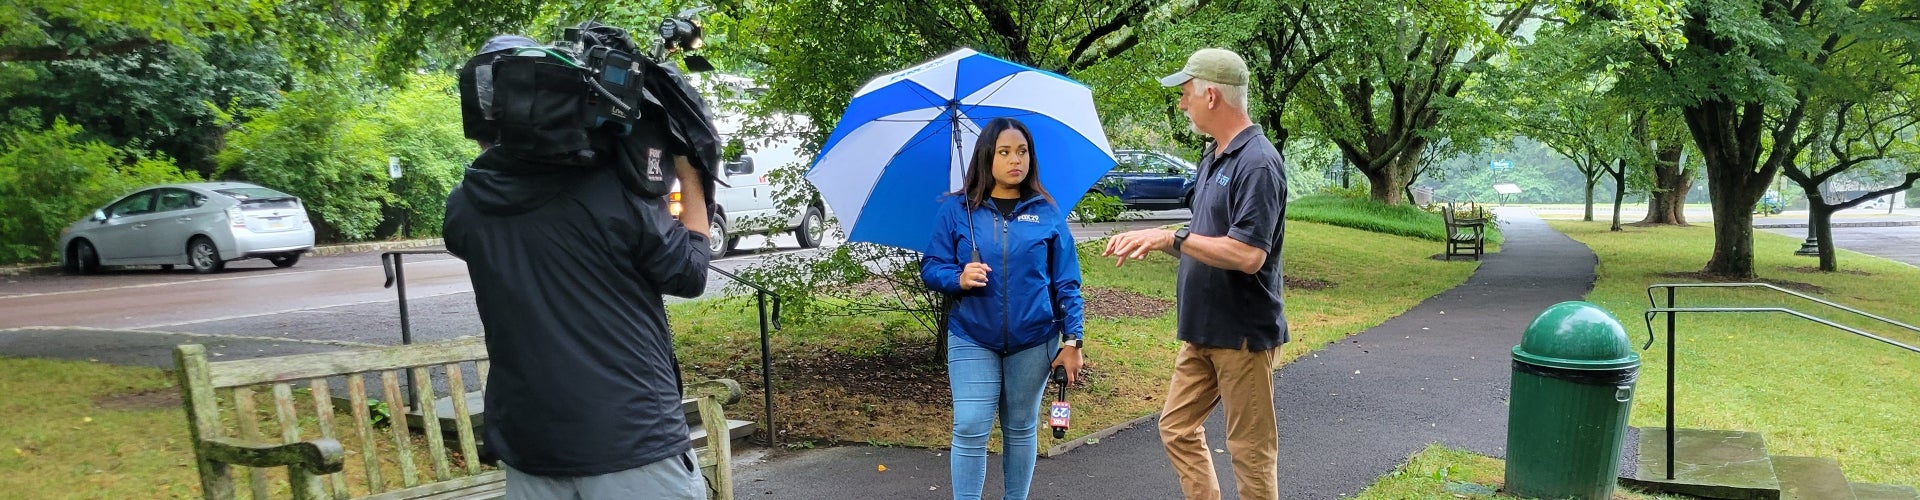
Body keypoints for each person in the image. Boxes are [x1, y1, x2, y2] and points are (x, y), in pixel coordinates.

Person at [444, 34, 715, 500]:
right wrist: (692, 176)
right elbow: (689, 274)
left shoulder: (466, 207)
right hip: (632, 442)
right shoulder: (611, 194)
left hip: (532, 448)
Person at [1102, 48, 1288, 500]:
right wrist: (1159, 239)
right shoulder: (1214, 157)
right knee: (1176, 427)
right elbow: (1205, 239)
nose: (1182, 103)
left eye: (1186, 94)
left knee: (1249, 451)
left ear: (1211, 96)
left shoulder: (1258, 162)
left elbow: (1247, 256)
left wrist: (1173, 239)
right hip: (1200, 329)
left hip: (1242, 336)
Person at [921, 117, 1088, 500]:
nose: (1016, 159)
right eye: (1004, 152)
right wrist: (958, 278)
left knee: (1020, 426)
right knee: (970, 425)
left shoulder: (1046, 211)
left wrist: (1072, 340)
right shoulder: (957, 210)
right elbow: (931, 267)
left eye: (1022, 151)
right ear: (986, 157)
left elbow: (1067, 281)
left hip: (1034, 339)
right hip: (972, 336)